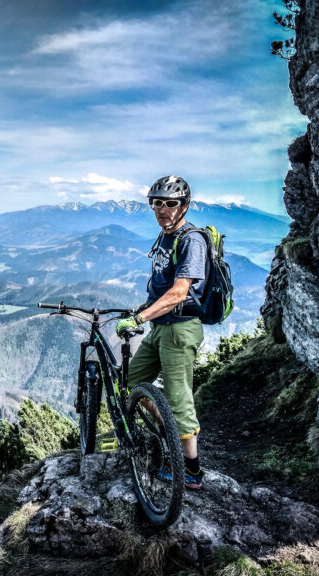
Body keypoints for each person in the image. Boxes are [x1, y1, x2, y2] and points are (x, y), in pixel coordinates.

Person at [116, 175, 207, 489]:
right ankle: (167, 426)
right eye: (157, 203)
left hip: (180, 330)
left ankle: (192, 472)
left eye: (170, 203)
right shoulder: (164, 236)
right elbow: (161, 287)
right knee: (133, 380)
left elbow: (180, 292)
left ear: (184, 206)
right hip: (160, 327)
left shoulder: (191, 239)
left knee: (180, 399)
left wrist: (139, 319)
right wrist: (144, 310)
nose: (162, 210)